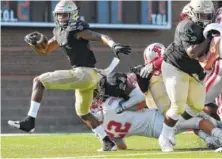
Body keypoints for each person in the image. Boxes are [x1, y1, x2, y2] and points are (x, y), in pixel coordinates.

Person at [8, 0, 131, 151]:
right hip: (87, 77)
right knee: (83, 112)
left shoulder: (77, 29)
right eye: (58, 14)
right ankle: (107, 142)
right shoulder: (59, 32)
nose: (61, 17)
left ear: (73, 14)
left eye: (64, 14)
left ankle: (30, 121)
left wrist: (113, 45)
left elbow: (100, 36)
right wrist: (35, 44)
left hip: (84, 74)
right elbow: (45, 50)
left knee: (39, 81)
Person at [158, 0, 215, 152]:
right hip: (175, 66)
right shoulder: (186, 25)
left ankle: (171, 128)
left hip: (195, 70)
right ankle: (164, 137)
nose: (206, 18)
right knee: (178, 106)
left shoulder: (211, 24)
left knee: (196, 106)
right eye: (202, 15)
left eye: (208, 15)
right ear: (192, 13)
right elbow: (192, 52)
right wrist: (210, 38)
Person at [90, 96, 222, 150]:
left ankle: (209, 139)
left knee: (190, 122)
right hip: (160, 119)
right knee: (198, 119)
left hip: (156, 133)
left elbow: (122, 146)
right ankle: (219, 135)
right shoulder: (110, 105)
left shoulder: (107, 133)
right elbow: (142, 102)